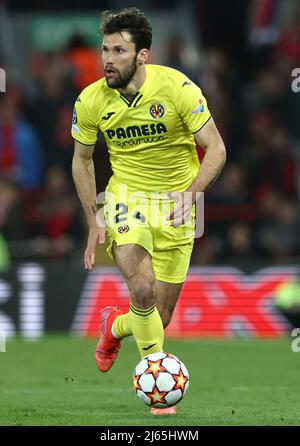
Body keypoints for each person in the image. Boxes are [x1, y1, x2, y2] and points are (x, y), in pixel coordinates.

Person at [71, 7, 226, 415]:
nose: (108, 59)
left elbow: (217, 149)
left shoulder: (178, 88)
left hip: (178, 205)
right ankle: (159, 393)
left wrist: (192, 193)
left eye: (119, 51)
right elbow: (82, 160)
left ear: (143, 55)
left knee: (159, 313)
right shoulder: (91, 100)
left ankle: (114, 326)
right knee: (140, 288)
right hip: (127, 199)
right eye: (105, 49)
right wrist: (93, 217)